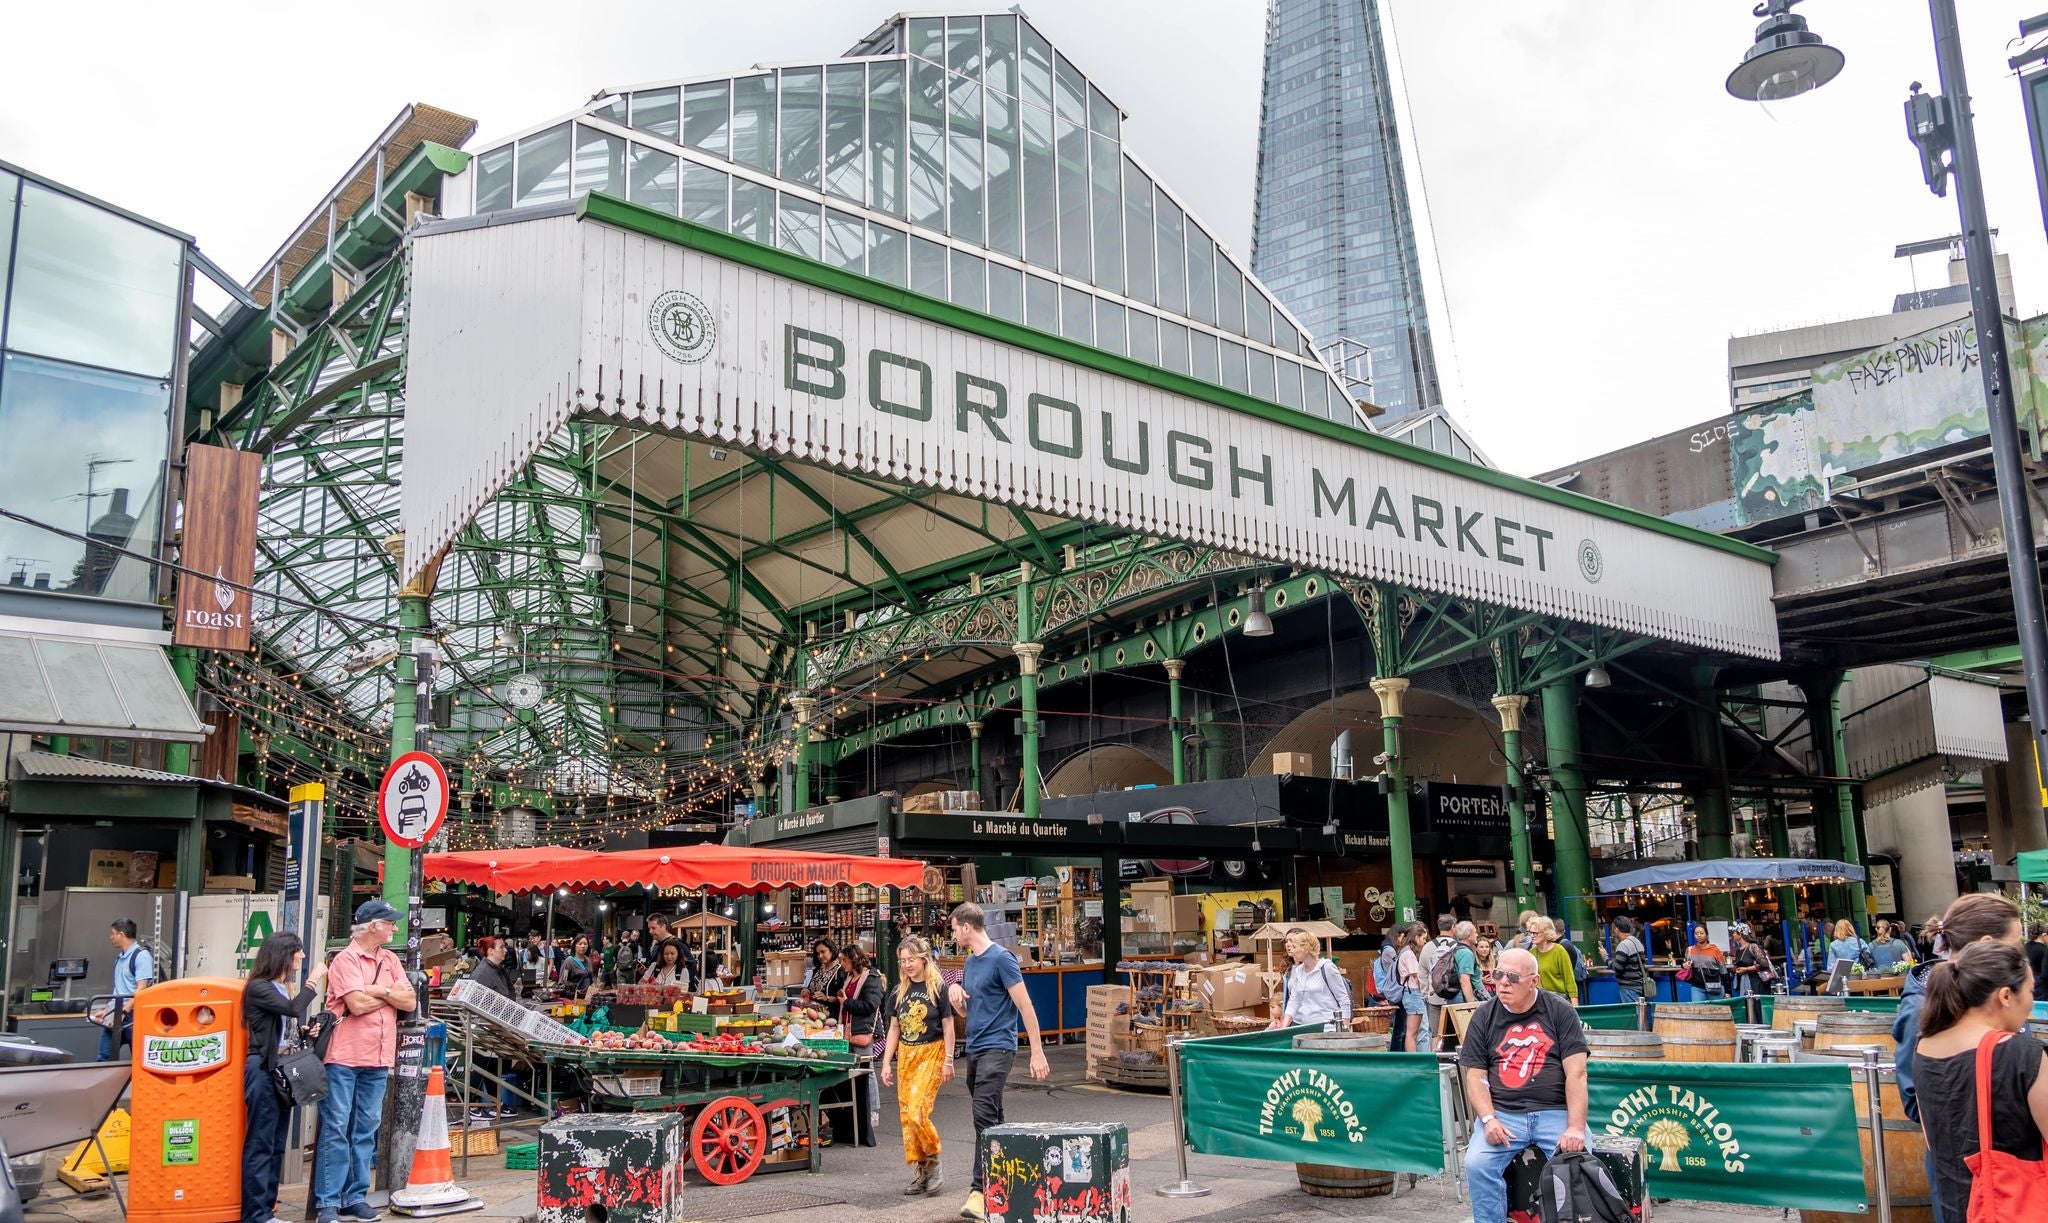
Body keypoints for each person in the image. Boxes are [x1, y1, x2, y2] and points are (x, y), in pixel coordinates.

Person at [1910, 939, 2048, 1220]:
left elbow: (1932, 1140)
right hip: (2018, 1209)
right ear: (2005, 996)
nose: (2031, 1005)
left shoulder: (1924, 1047)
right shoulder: (2020, 1053)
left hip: (1958, 1208)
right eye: (2031, 992)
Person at [1458, 948, 1590, 1223]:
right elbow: (1475, 1076)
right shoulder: (1483, 1016)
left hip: (1555, 1111)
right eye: (1498, 974)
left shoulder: (1559, 1011)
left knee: (1578, 1162)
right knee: (1477, 1163)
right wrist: (1489, 1119)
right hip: (1504, 1115)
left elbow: (1576, 1073)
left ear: (1534, 982)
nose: (1502, 982)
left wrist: (1575, 1127)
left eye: (1513, 977)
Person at [944, 903, 1049, 1222]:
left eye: (953, 927)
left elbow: (1025, 1005)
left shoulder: (1002, 959)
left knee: (982, 1115)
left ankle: (981, 1190)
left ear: (966, 927)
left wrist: (1038, 1051)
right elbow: (968, 1012)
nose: (951, 933)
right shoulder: (970, 962)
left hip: (999, 1047)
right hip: (975, 1048)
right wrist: (956, 995)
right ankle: (1011, 1182)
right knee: (993, 1118)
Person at [315, 899, 416, 1223]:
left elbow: (409, 1000)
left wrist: (377, 989)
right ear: (373, 925)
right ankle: (328, 1203)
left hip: (377, 1056)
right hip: (342, 1057)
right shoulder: (344, 960)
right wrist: (388, 993)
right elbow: (356, 1004)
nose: (395, 928)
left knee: (365, 1129)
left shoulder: (389, 960)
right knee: (336, 1128)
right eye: (390, 922)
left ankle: (355, 1197)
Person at [1897, 893, 2024, 1126]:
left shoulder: (1995, 991)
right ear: (1986, 944)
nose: (2021, 957)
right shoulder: (1922, 1003)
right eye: (2015, 946)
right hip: (1965, 1153)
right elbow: (1916, 1099)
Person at [243, 933, 327, 1223]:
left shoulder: (278, 987)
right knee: (260, 1142)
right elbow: (293, 1009)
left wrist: (302, 1032)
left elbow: (281, 1025)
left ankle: (268, 1208)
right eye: (298, 952)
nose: (302, 958)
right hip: (262, 1071)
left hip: (280, 1071)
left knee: (276, 1141)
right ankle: (255, 1213)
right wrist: (313, 981)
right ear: (282, 955)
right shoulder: (259, 987)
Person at [879, 936, 955, 1196]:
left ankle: (933, 1163)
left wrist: (949, 1060)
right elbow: (894, 1029)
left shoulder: (938, 987)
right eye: (903, 961)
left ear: (923, 959)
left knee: (917, 1112)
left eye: (911, 960)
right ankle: (922, 1170)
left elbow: (948, 1025)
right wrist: (886, 1062)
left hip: (932, 1052)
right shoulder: (899, 991)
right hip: (907, 1056)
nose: (907, 965)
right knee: (907, 1117)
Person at [839, 946, 886, 1147]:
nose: (842, 963)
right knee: (854, 1068)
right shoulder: (849, 977)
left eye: (844, 960)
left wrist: (847, 1002)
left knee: (867, 1070)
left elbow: (869, 1006)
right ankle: (858, 1109)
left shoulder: (871, 978)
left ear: (853, 959)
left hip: (862, 1028)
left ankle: (872, 1110)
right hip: (850, 1027)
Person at [1270, 927, 1354, 1029]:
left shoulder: (1326, 967)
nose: (1292, 950)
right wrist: (1284, 1027)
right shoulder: (1299, 971)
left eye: (1294, 947)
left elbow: (1343, 999)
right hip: (1304, 1028)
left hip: (1327, 1028)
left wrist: (1344, 1027)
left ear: (1305, 948)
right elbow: (1294, 1001)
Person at [97, 918, 157, 1061]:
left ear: (121, 934)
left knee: (139, 1058)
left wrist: (124, 1012)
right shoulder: (120, 957)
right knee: (104, 1056)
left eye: (113, 934)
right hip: (116, 1011)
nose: (110, 937)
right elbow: (119, 988)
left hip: (132, 1014)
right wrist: (107, 1010)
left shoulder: (141, 956)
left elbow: (142, 988)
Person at [1419, 917, 1457, 1048]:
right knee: (1460, 1032)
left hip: (1435, 996)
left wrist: (1426, 993)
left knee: (1436, 1034)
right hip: (1455, 997)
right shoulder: (1458, 946)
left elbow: (1422, 974)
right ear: (1453, 927)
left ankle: (1436, 1063)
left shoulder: (1427, 947)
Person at [1373, 929, 1407, 1050]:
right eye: (1403, 936)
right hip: (1396, 990)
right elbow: (1399, 968)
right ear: (1397, 935)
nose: (1404, 940)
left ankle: (1397, 1052)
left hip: (1396, 990)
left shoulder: (1387, 948)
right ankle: (1397, 1053)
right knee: (1400, 1026)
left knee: (1400, 1025)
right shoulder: (1389, 950)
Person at [1603, 916, 1649, 1005]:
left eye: (1613, 928)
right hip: (1640, 985)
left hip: (1629, 987)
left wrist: (1605, 958)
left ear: (1617, 929)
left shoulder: (1623, 945)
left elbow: (1618, 968)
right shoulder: (1637, 942)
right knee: (1641, 1013)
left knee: (1634, 1015)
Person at [1528, 917, 1576, 1000]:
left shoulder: (1559, 951)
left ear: (1546, 933)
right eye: (1530, 932)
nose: (1532, 936)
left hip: (1558, 1000)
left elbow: (1570, 980)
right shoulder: (1531, 953)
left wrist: (1575, 1006)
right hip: (1539, 1000)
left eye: (1535, 933)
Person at [1397, 924, 1427, 1052]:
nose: (1425, 942)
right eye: (1423, 939)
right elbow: (1417, 974)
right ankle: (1414, 1060)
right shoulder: (1408, 953)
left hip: (1410, 993)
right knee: (1412, 1033)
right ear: (1416, 937)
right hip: (1413, 993)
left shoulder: (1404, 951)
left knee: (1412, 1033)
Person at [1728, 926, 1774, 999]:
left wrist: (1747, 969)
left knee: (1757, 1005)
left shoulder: (1753, 946)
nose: (1732, 935)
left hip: (1757, 982)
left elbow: (1764, 963)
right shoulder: (1738, 950)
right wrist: (1735, 969)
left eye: (1734, 933)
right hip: (1743, 982)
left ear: (1740, 934)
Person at [1451, 921, 1490, 1005]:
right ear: (1469, 936)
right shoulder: (1466, 953)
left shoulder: (1457, 949)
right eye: (1475, 932)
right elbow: (1464, 980)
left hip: (1458, 998)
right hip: (1464, 999)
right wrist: (1471, 1004)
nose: (1477, 935)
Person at [1685, 925, 1727, 1000]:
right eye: (1696, 933)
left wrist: (1728, 991)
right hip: (1697, 987)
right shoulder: (1690, 950)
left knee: (1716, 1011)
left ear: (1707, 935)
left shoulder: (1715, 950)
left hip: (1715, 987)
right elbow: (1685, 965)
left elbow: (1723, 971)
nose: (1699, 935)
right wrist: (1684, 965)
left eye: (1701, 933)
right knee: (1698, 1010)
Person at [2026, 924, 2048, 1003]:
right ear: (2044, 935)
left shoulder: (2025, 947)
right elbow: (2045, 974)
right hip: (2042, 990)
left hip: (2026, 986)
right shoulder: (2044, 950)